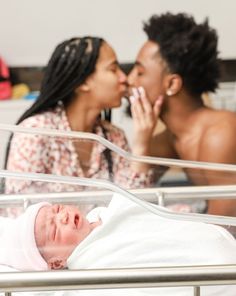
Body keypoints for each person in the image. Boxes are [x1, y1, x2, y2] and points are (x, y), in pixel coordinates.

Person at [5, 37, 156, 194]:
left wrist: (142, 144)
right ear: (83, 82)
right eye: (113, 69)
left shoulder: (114, 137)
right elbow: (21, 211)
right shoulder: (35, 133)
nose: (124, 78)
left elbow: (134, 206)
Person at [0, 195, 235, 296]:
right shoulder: (91, 267)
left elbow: (147, 220)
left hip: (216, 244)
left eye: (57, 210)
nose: (62, 218)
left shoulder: (106, 214)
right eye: (54, 230)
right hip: (216, 269)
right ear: (57, 262)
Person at [127, 12, 236, 216]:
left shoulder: (220, 134)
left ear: (172, 84)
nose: (129, 80)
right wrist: (141, 140)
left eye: (140, 73)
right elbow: (127, 190)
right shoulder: (174, 139)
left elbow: (224, 231)